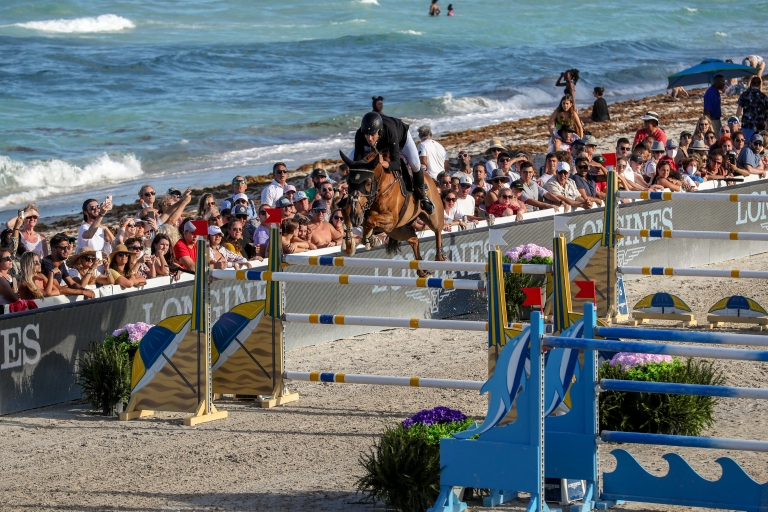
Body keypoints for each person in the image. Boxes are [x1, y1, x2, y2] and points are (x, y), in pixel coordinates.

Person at [353, 112, 434, 214]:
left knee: (415, 164)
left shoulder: (390, 132)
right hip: (380, 142)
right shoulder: (360, 135)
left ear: (379, 131)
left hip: (401, 139)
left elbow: (396, 163)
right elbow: (358, 163)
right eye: (367, 134)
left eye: (373, 134)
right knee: (352, 161)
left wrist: (384, 164)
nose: (369, 138)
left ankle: (423, 195)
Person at [42, 233, 96, 299]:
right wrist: (83, 292)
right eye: (63, 248)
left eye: (68, 247)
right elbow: (58, 288)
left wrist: (85, 290)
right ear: (54, 249)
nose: (67, 250)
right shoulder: (46, 263)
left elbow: (72, 283)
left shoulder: (61, 263)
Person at [737, 77, 768, 143]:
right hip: (760, 126)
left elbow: (739, 110)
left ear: (751, 84)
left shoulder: (744, 95)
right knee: (758, 145)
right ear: (760, 85)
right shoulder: (764, 97)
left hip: (747, 124)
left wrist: (736, 121)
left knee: (747, 144)